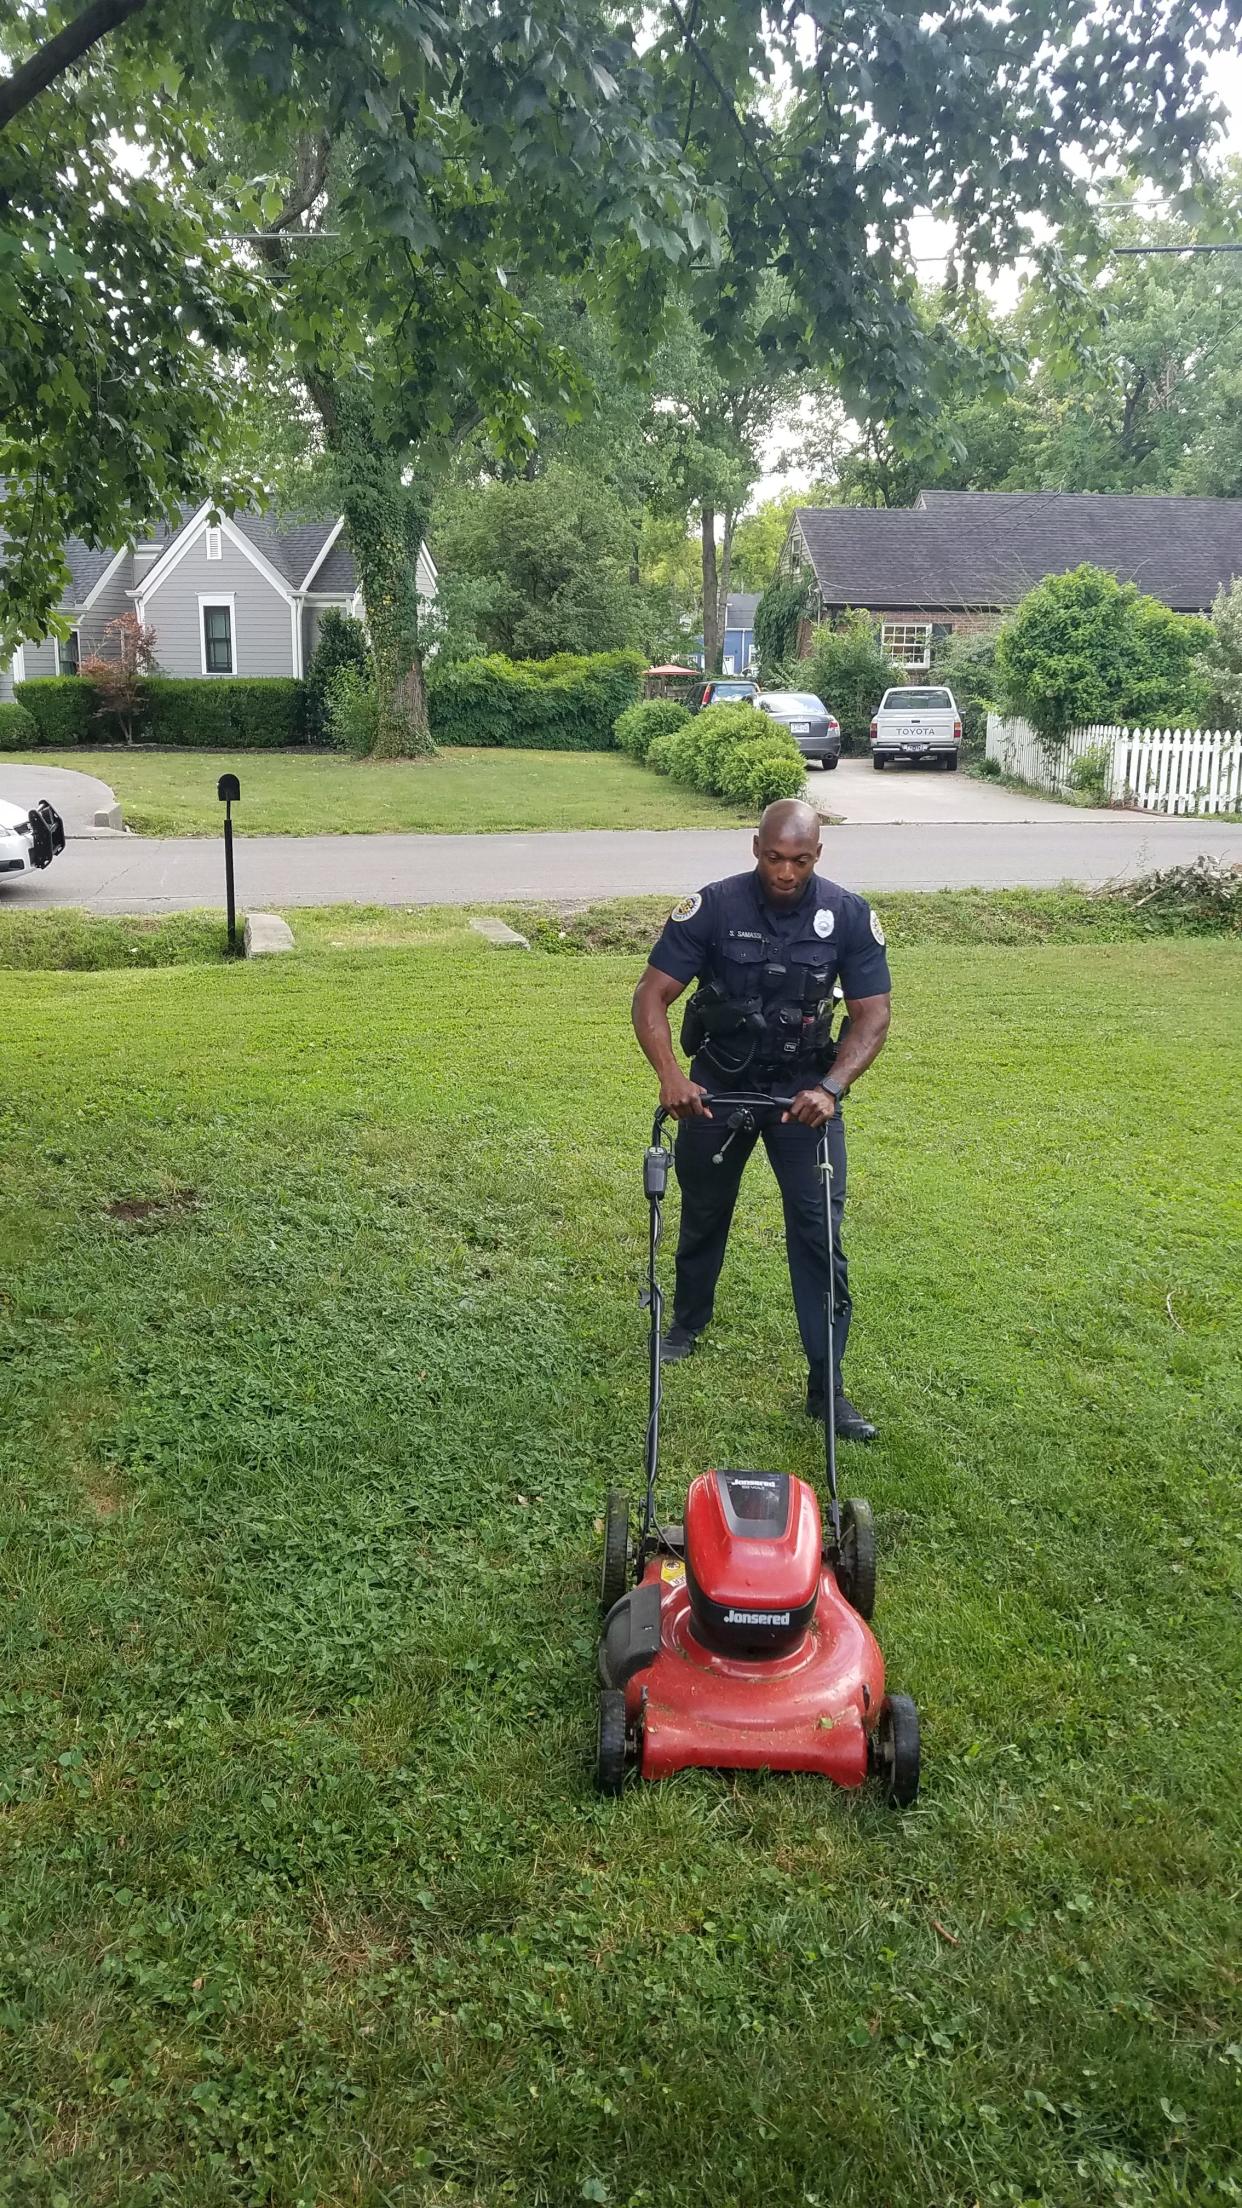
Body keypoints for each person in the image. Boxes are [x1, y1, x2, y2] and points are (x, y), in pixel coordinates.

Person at [631, 798, 891, 1442]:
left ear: (818, 857)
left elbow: (872, 1015)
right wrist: (672, 1077)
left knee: (817, 1233)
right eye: (774, 857)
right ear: (755, 847)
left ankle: (825, 1387)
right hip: (716, 1091)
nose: (785, 871)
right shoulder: (713, 907)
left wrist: (831, 1088)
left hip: (804, 1101)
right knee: (704, 1207)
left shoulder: (848, 915)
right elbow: (651, 995)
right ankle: (688, 1320)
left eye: (800, 860)